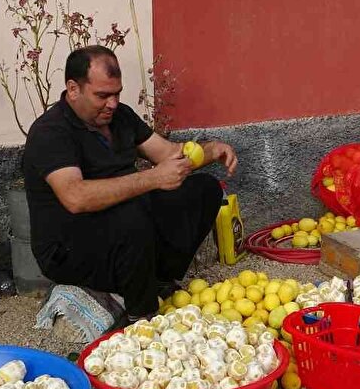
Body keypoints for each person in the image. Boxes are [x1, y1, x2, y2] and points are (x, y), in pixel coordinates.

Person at [21, 45, 238, 320]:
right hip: (68, 249)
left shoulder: (120, 117)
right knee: (132, 214)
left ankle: (159, 281)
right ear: (73, 89)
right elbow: (76, 197)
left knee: (202, 190)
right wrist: (154, 178)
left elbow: (169, 154)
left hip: (125, 227)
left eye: (117, 93)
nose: (112, 103)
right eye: (102, 95)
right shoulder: (50, 132)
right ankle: (141, 317)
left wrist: (212, 149)